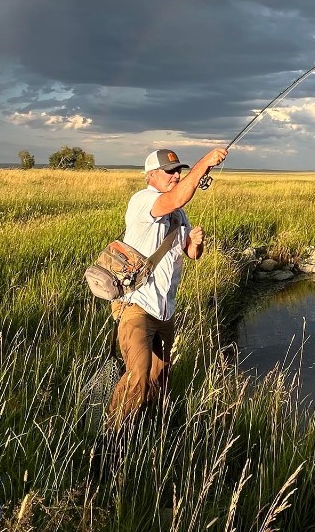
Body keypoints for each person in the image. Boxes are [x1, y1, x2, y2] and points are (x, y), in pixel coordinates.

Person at [106, 146, 228, 426]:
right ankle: (113, 434)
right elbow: (176, 198)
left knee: (159, 375)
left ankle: (147, 425)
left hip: (164, 311)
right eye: (169, 171)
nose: (176, 175)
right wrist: (206, 162)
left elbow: (192, 254)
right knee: (138, 373)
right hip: (136, 306)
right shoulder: (143, 200)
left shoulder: (178, 214)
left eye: (178, 171)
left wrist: (196, 242)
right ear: (151, 175)